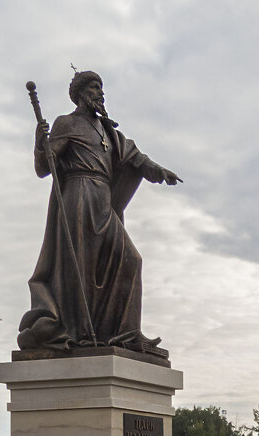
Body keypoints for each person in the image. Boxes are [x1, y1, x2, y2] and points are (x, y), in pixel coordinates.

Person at [18, 70, 181, 356]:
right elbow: (45, 168)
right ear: (80, 93)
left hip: (103, 199)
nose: (100, 93)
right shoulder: (66, 123)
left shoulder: (108, 132)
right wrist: (39, 144)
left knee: (130, 259)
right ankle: (79, 331)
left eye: (101, 88)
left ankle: (126, 333)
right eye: (95, 87)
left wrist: (160, 171)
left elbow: (135, 158)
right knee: (81, 265)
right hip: (78, 196)